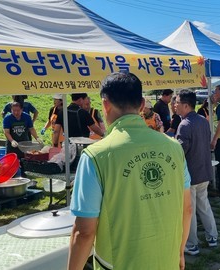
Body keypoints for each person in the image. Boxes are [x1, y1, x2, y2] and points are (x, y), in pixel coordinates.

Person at [68, 72, 192, 270]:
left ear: (105, 104)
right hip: (167, 260)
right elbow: (187, 208)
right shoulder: (174, 147)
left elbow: (84, 232)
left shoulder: (95, 156)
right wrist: (179, 251)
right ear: (142, 105)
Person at [174, 90, 218, 256]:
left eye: (177, 102)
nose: (175, 105)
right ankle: (212, 237)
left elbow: (180, 150)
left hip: (190, 174)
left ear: (185, 105)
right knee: (204, 206)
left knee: (189, 210)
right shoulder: (202, 120)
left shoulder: (184, 125)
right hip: (204, 171)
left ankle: (192, 244)